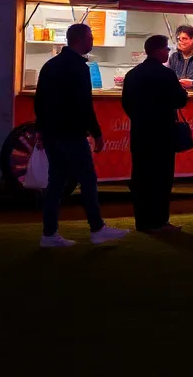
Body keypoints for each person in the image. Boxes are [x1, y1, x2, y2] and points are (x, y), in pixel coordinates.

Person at [34, 23, 128, 247]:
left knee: (55, 183)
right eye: (90, 36)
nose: (92, 40)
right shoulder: (78, 67)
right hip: (71, 133)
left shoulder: (50, 65)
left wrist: (41, 129)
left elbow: (39, 102)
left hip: (52, 133)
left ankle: (49, 233)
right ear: (80, 39)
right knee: (87, 180)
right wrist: (96, 133)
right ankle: (96, 228)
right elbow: (84, 104)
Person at [122, 34, 189, 233]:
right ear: (158, 50)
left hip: (141, 133)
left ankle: (142, 222)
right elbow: (180, 101)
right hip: (162, 134)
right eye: (166, 49)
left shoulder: (133, 74)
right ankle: (160, 221)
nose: (168, 52)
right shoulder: (166, 75)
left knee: (141, 178)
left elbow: (126, 103)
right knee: (161, 179)